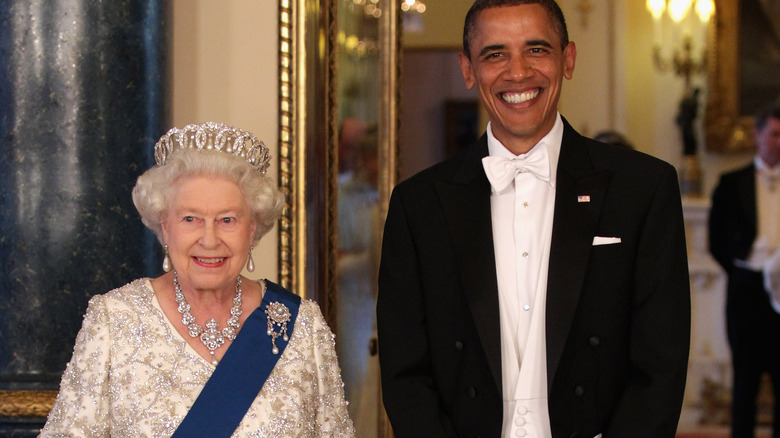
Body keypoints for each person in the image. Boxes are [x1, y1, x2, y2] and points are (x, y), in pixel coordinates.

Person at [376, 1, 691, 437]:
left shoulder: (643, 189)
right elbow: (404, 373)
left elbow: (662, 364)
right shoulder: (418, 205)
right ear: (468, 69)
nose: (518, 72)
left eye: (537, 49)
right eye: (495, 54)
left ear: (568, 59)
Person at [40, 122, 355, 437]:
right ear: (165, 226)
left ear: (253, 229)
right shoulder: (114, 319)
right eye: (190, 219)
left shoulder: (301, 326)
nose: (209, 240)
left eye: (227, 220)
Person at [709, 102, 780, 438]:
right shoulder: (731, 182)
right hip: (747, 289)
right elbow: (716, 239)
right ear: (758, 134)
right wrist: (743, 272)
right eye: (775, 134)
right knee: (745, 380)